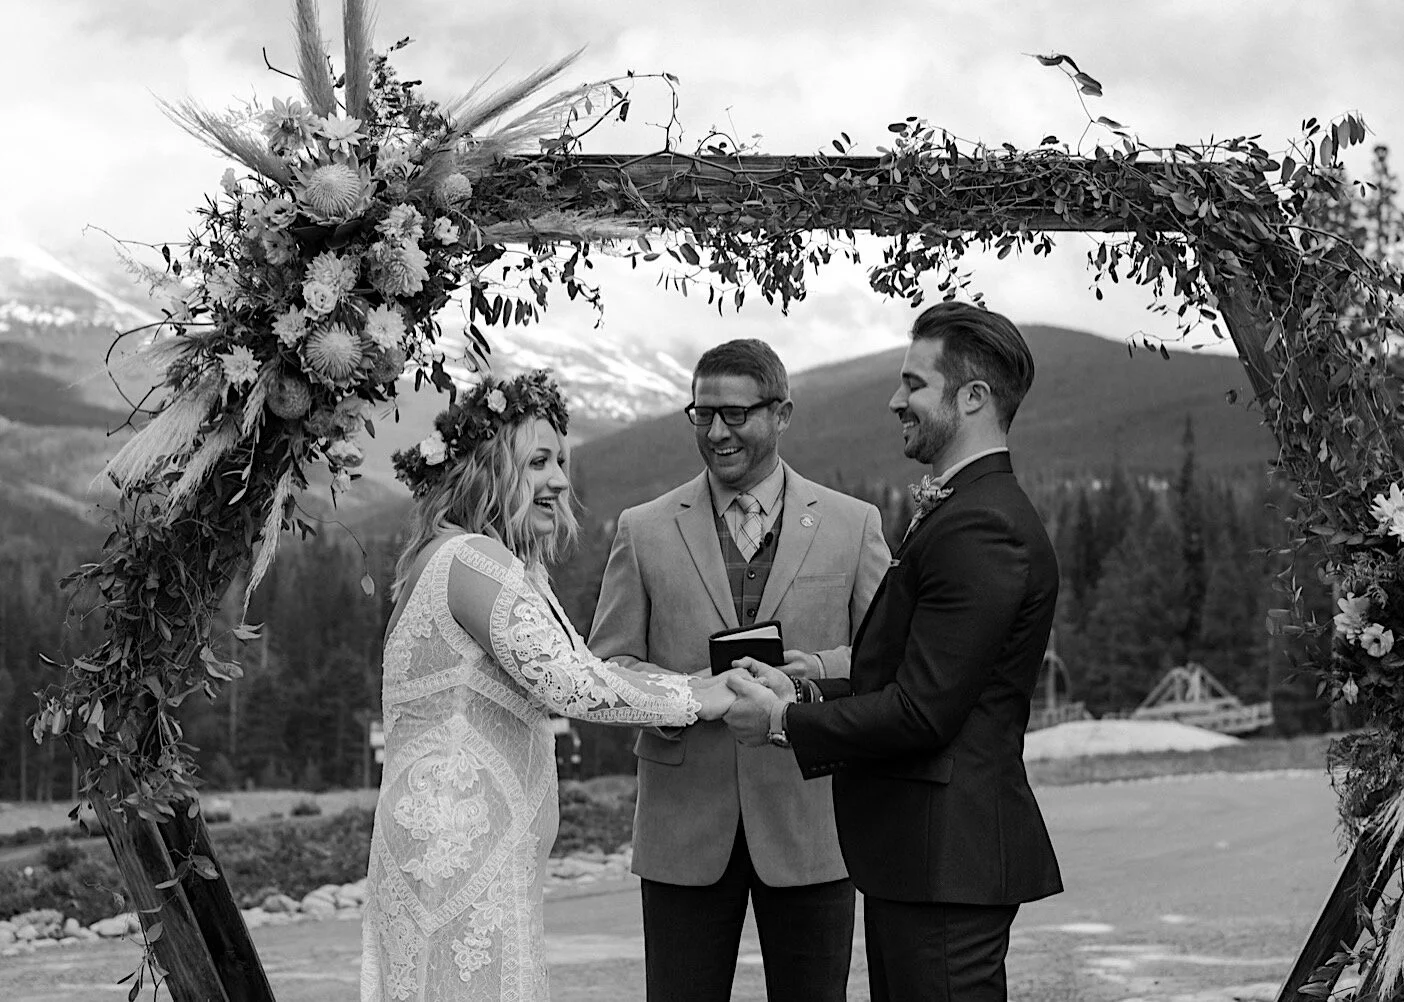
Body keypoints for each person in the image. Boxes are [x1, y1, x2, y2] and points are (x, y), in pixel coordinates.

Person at [360, 369, 740, 1002]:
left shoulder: (479, 558)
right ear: (486, 469)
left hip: (470, 852)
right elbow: (569, 684)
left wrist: (687, 681)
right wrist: (700, 700)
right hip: (455, 855)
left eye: (561, 461)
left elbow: (575, 667)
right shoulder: (470, 559)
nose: (560, 481)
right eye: (538, 462)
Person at [723, 302, 1063, 1002]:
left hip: (948, 859)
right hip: (922, 860)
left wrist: (783, 724)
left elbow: (923, 713)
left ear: (973, 397)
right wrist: (802, 692)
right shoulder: (964, 509)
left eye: (914, 383)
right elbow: (914, 677)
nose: (895, 401)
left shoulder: (982, 527)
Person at [588, 339, 891, 1002]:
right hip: (682, 827)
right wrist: (687, 696)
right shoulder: (643, 529)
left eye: (735, 414)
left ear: (782, 414)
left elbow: (888, 658)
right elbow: (608, 667)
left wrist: (810, 673)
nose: (717, 432)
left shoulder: (852, 524)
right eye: (703, 415)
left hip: (812, 822)